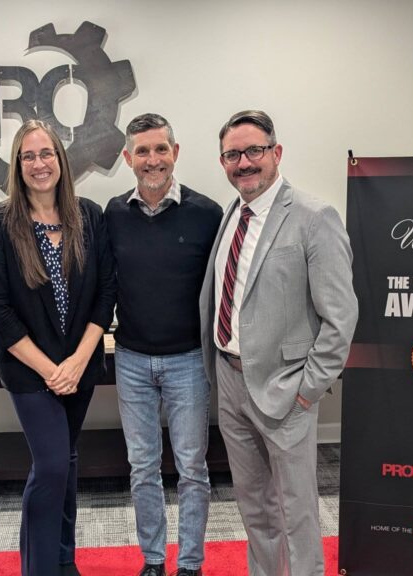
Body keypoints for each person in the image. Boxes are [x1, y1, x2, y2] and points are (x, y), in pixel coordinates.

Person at [199, 110, 358, 576]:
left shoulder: (314, 217)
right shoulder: (232, 214)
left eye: (254, 150)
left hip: (287, 388)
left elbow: (341, 317)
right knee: (255, 507)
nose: (244, 162)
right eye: (233, 154)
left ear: (276, 152)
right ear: (222, 162)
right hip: (231, 382)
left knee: (296, 510)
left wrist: (308, 389)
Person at [0, 119, 116, 576]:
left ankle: (63, 560)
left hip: (80, 366)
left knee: (66, 462)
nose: (39, 164)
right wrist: (51, 369)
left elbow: (106, 293)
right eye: (29, 156)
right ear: (18, 165)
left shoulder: (89, 216)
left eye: (46, 153)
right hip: (28, 371)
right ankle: (40, 568)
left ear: (61, 159)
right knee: (52, 465)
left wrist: (77, 362)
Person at [105, 113, 223, 576]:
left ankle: (190, 564)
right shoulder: (113, 214)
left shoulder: (208, 214)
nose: (152, 159)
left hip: (188, 361)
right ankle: (153, 561)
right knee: (142, 468)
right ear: (127, 157)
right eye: (142, 151)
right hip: (131, 358)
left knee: (192, 468)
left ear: (175, 152)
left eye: (160, 149)